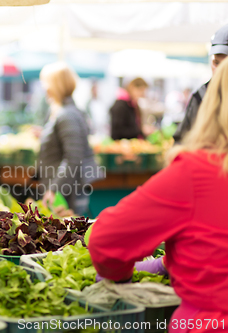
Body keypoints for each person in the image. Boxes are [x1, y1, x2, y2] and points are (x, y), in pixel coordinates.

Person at [88, 59, 228, 333]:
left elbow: (106, 239)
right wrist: (166, 262)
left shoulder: (197, 172)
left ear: (212, 104)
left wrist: (121, 274)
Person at [38, 62, 100, 216]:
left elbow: (73, 158)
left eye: (46, 83)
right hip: (63, 191)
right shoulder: (61, 112)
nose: (44, 89)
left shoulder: (67, 115)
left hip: (67, 194)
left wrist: (53, 189)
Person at [173, 23, 228, 143]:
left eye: (225, 65)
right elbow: (181, 139)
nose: (219, 71)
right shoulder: (201, 95)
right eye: (216, 63)